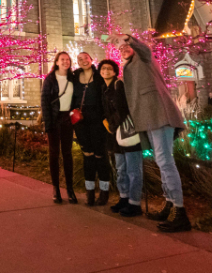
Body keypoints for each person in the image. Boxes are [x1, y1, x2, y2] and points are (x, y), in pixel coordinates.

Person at [118, 35, 190, 232]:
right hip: (148, 118)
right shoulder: (130, 65)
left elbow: (144, 49)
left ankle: (180, 211)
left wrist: (129, 39)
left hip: (159, 113)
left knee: (165, 161)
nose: (124, 49)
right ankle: (169, 204)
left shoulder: (144, 57)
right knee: (161, 161)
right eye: (121, 48)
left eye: (126, 47)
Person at [99, 59, 149, 217]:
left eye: (109, 69)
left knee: (133, 170)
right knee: (121, 169)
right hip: (115, 135)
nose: (106, 71)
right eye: (103, 68)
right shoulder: (103, 88)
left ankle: (134, 203)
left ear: (115, 72)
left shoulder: (118, 85)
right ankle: (124, 198)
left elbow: (123, 109)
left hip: (127, 132)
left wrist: (113, 124)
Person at [72, 52, 111, 206]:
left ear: (91, 59)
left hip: (98, 120)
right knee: (87, 155)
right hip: (81, 121)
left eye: (85, 58)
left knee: (100, 156)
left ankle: (104, 191)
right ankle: (89, 192)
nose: (83, 61)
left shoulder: (99, 75)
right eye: (79, 59)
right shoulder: (74, 77)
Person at [40, 52, 77, 205]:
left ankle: (70, 188)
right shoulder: (50, 79)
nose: (65, 62)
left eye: (67, 60)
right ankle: (56, 188)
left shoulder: (73, 78)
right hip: (54, 119)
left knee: (67, 154)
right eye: (62, 60)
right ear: (56, 62)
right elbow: (45, 102)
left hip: (67, 119)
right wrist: (48, 124)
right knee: (54, 154)